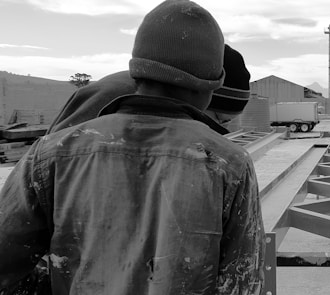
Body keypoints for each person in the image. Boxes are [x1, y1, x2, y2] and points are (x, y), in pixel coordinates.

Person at [0, 1, 265, 294]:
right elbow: (242, 283)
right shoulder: (230, 164)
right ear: (211, 86)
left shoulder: (50, 153)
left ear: (136, 70)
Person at [48, 44, 252, 135]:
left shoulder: (159, 100)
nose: (217, 129)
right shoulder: (122, 97)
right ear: (202, 95)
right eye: (220, 119)